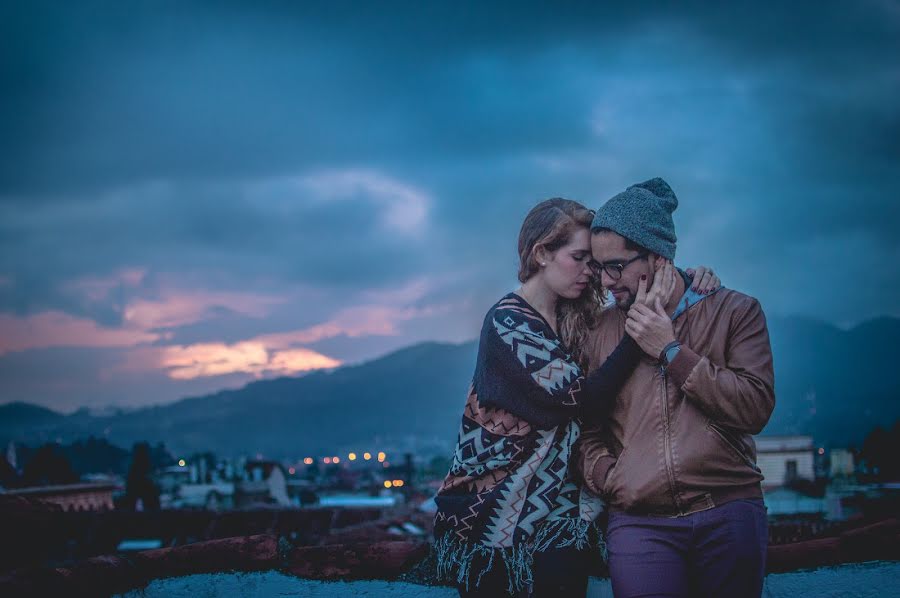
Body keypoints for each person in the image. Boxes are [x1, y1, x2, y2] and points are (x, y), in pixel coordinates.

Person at [433, 198, 719, 597]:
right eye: (581, 258)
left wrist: (686, 280)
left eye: (599, 264)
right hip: (491, 508)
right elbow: (580, 401)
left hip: (559, 514)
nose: (593, 273)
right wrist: (643, 330)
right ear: (542, 254)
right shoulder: (508, 322)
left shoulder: (575, 319)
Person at [576, 177, 775, 598]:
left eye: (617, 265)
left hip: (729, 509)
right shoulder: (601, 330)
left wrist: (670, 350)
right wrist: (611, 477)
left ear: (658, 257)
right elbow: (586, 427)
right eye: (599, 267)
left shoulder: (735, 312)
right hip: (639, 521)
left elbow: (755, 408)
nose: (606, 281)